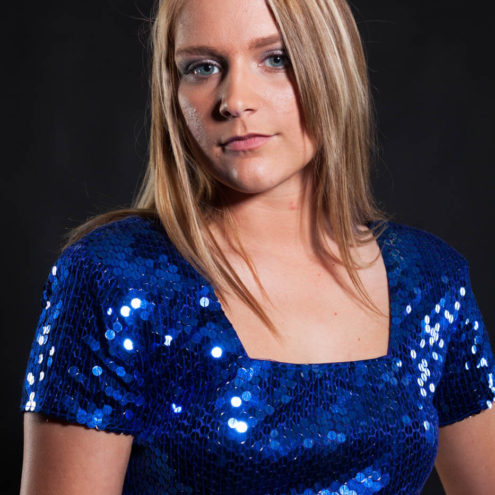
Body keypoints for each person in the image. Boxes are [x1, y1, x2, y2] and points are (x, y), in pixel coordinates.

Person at [19, 0, 495, 493]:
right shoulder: (113, 276)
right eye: (202, 67)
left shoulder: (431, 279)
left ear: (333, 65)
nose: (234, 100)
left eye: (276, 59)